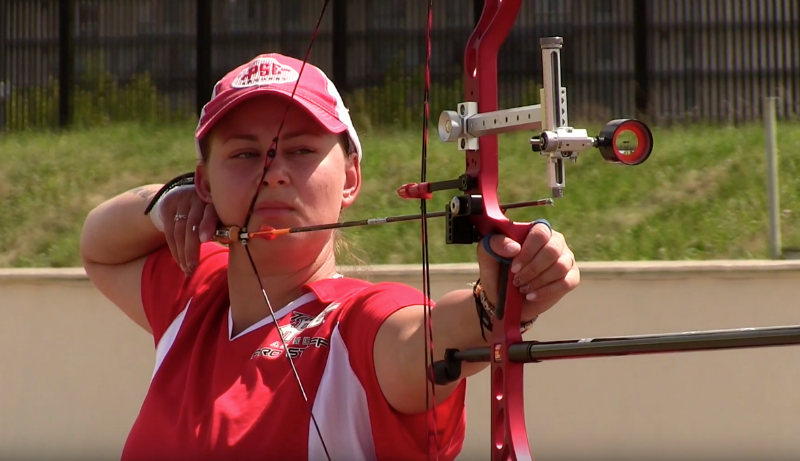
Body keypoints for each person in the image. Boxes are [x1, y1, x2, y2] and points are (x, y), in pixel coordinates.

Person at [79, 53, 580, 461]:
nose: (273, 173)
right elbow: (98, 246)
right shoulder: (197, 293)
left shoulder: (357, 324)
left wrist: (493, 304)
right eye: (246, 154)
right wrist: (168, 200)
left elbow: (424, 339)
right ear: (205, 181)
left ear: (350, 178)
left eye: (299, 151)